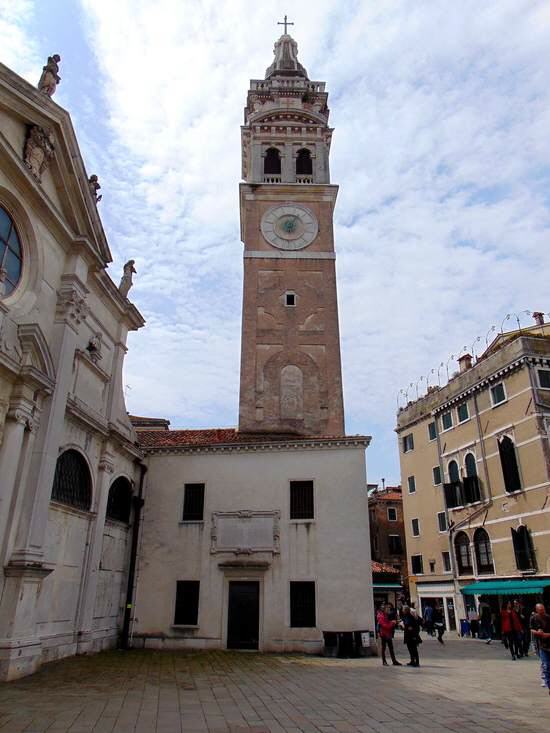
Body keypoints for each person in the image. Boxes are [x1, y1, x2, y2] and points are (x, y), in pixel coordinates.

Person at [531, 603, 550, 693]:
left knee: (548, 665)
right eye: (541, 611)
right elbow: (531, 629)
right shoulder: (533, 618)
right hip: (541, 645)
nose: (543, 612)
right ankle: (546, 680)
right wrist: (537, 632)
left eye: (543, 610)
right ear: (537, 611)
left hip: (548, 643)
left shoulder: (549, 618)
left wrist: (547, 634)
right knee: (545, 664)